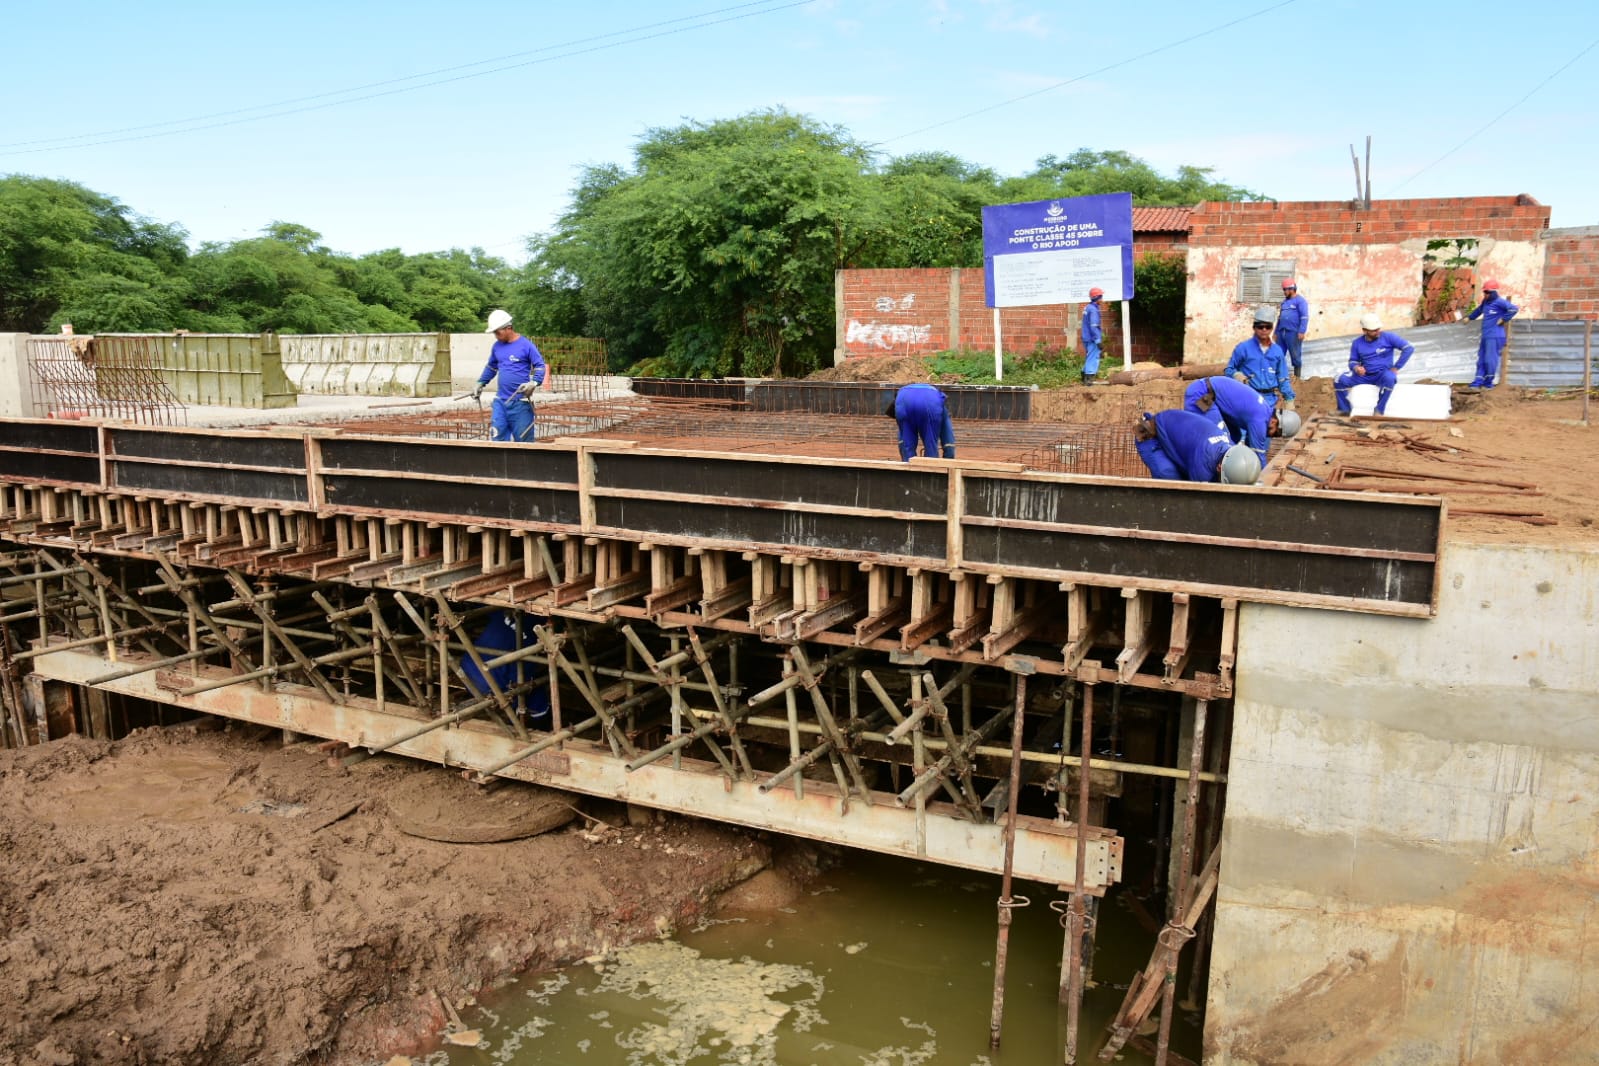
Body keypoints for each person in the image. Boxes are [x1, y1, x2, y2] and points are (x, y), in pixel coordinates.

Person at [461, 609, 552, 729]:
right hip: (491, 684)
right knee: (531, 686)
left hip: (466, 670)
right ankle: (542, 722)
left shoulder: (503, 611)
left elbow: (482, 608)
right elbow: (522, 680)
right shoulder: (532, 639)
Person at [1182, 375, 1298, 466]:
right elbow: (1258, 455)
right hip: (1201, 395)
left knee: (1234, 436)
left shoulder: (1264, 411)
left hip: (1211, 394)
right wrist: (1261, 480)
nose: (1271, 436)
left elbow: (1249, 445)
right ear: (1274, 422)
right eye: (1275, 434)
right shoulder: (1259, 420)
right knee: (1219, 441)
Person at [474, 309, 550, 442]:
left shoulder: (526, 346)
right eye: (494, 332)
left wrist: (534, 382)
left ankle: (524, 463)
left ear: (508, 328)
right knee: (498, 439)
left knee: (524, 443)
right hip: (501, 402)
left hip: (520, 403)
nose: (496, 335)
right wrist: (480, 383)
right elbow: (491, 367)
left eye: (498, 332)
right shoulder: (497, 347)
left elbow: (540, 366)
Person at [1134, 409, 1261, 485]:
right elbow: (1199, 498)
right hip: (1150, 435)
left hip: (1174, 435)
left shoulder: (1232, 450)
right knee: (1171, 483)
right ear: (1219, 467)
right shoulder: (1203, 465)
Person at [1334, 314, 1415, 416]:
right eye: (1374, 330)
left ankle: (1379, 411)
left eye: (1378, 329)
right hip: (1365, 376)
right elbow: (1352, 361)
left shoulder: (1388, 337)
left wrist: (1396, 367)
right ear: (1365, 330)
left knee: (1390, 378)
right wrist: (1356, 368)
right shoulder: (1357, 343)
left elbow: (1408, 348)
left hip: (1382, 374)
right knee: (1338, 379)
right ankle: (1344, 410)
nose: (1378, 332)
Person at [1224, 309, 1296, 409]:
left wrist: (1289, 399)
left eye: (1268, 327)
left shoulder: (1277, 351)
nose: (1264, 330)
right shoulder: (1243, 348)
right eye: (1260, 327)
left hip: (1270, 402)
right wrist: (1236, 375)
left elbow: (1282, 377)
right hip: (1248, 399)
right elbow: (1229, 370)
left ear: (1271, 328)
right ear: (1254, 327)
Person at [1466, 279, 1519, 389]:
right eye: (1484, 292)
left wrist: (1504, 319)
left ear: (1493, 292)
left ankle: (1488, 382)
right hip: (1486, 335)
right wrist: (1469, 317)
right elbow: (1479, 310)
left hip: (1495, 336)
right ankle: (1477, 381)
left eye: (1487, 292)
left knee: (1490, 359)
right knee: (1481, 358)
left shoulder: (1499, 302)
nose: (1485, 294)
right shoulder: (1486, 302)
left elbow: (1514, 309)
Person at [886, 383, 954, 460]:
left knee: (907, 444)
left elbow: (902, 439)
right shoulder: (938, 396)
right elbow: (947, 435)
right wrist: (949, 457)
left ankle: (908, 467)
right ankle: (931, 468)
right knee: (930, 444)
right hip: (930, 400)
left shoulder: (901, 394)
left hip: (903, 397)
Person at [1276, 279, 1309, 378]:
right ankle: (1279, 377)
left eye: (1285, 290)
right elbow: (1280, 318)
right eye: (1283, 290)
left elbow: (1304, 317)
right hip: (1282, 333)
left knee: (1295, 356)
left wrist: (1302, 331)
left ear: (1292, 289)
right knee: (1278, 354)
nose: (1284, 292)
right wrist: (1276, 332)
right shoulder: (1284, 303)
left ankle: (1297, 378)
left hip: (1293, 333)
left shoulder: (1300, 301)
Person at [1080, 288, 1104, 384]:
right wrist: (1098, 341)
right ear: (1097, 298)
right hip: (1092, 338)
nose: (1102, 299)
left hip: (1086, 336)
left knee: (1089, 356)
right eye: (1101, 297)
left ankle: (1083, 373)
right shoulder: (1093, 310)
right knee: (1093, 357)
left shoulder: (1088, 307)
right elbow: (1094, 326)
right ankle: (1088, 378)